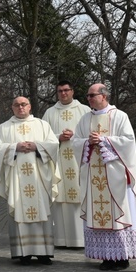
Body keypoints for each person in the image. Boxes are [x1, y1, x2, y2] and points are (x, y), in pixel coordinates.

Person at [72, 83, 136, 271]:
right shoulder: (85, 119)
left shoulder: (119, 116)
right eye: (87, 96)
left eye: (92, 95)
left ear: (104, 96)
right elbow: (75, 143)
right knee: (98, 214)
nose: (89, 98)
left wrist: (103, 140)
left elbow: (128, 141)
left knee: (118, 213)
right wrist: (87, 142)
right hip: (94, 177)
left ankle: (122, 257)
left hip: (115, 177)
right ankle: (106, 256)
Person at [0, 96, 60, 265]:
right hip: (16, 178)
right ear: (12, 108)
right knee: (19, 210)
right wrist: (15, 147)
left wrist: (36, 146)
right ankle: (23, 253)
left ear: (29, 106)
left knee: (42, 210)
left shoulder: (42, 125)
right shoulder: (5, 127)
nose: (20, 107)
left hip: (39, 177)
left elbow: (54, 144)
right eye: (16, 105)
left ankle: (44, 253)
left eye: (24, 104)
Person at [41, 81, 90, 249]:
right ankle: (61, 240)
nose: (63, 93)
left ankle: (81, 240)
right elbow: (43, 137)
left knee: (78, 196)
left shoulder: (84, 110)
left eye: (66, 90)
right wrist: (58, 137)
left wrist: (75, 135)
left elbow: (91, 133)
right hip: (58, 163)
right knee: (59, 198)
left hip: (78, 162)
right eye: (60, 91)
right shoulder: (50, 113)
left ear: (72, 91)